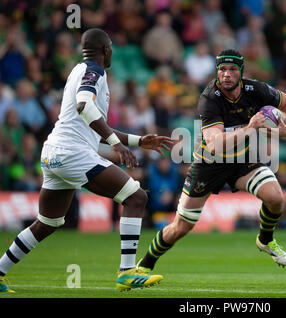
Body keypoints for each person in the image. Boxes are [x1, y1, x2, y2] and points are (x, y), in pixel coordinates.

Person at [0, 28, 176, 293]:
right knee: (136, 197)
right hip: (72, 153)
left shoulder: (78, 71)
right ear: (106, 50)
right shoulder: (95, 70)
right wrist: (117, 145)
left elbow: (93, 123)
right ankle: (127, 271)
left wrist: (138, 141)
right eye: (112, 47)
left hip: (53, 152)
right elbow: (84, 105)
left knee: (47, 223)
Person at [135, 49, 286, 274]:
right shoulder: (209, 98)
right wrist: (250, 128)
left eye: (232, 69)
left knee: (276, 197)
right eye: (222, 69)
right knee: (181, 227)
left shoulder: (256, 89)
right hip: (208, 165)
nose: (227, 74)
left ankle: (265, 239)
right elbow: (214, 145)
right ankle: (144, 265)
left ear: (241, 72)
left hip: (242, 160)